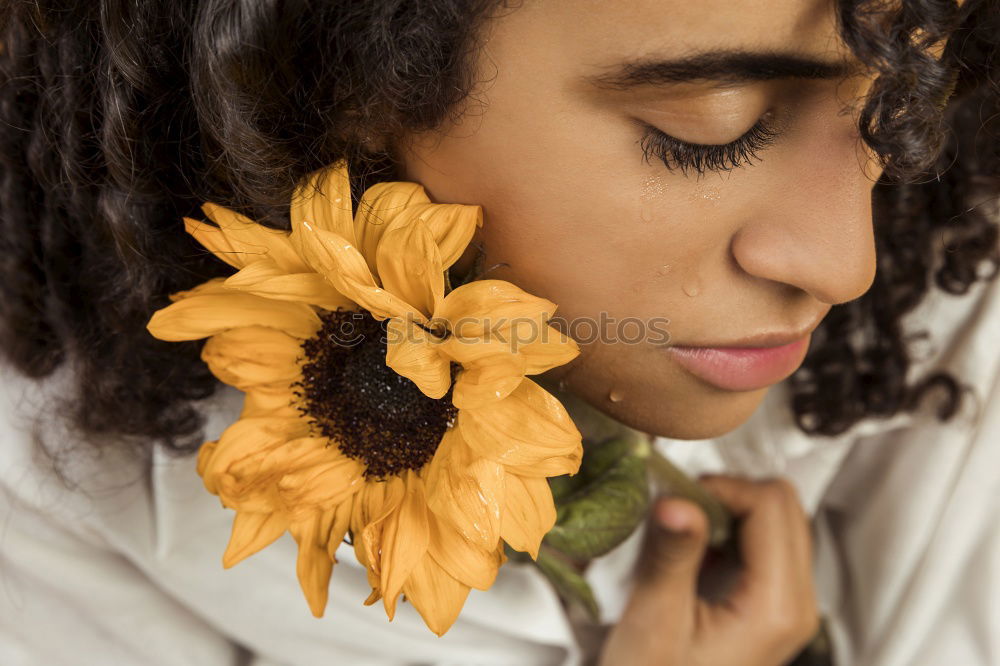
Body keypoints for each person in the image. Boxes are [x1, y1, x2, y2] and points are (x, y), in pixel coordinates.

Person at [0, 0, 996, 665]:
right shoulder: (51, 487)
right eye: (713, 128)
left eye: (894, 120)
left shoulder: (959, 332)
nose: (843, 263)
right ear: (344, 77)